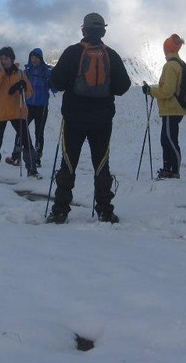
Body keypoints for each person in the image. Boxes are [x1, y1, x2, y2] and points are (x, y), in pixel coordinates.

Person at [46, 13, 131, 224]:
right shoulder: (110, 55)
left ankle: (60, 210)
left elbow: (56, 80)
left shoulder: (72, 53)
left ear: (83, 30)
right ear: (103, 31)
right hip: (102, 120)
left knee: (68, 162)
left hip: (73, 117)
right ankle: (104, 210)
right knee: (101, 163)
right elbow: (124, 86)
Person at [0, 46, 38, 181]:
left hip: (17, 111)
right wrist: (1, 73)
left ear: (12, 58)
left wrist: (23, 86)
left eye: (7, 58)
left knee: (27, 141)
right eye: (2, 59)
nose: (4, 61)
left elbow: (29, 93)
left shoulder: (20, 74)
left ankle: (32, 170)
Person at [142, 34, 186, 179]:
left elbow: (167, 91)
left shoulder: (170, 66)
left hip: (171, 108)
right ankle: (168, 168)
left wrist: (150, 91)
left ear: (166, 49)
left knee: (169, 139)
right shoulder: (179, 64)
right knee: (167, 139)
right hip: (175, 108)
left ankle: (173, 171)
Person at [9, 48, 53, 167]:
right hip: (27, 106)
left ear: (40, 59)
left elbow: (55, 87)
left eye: (36, 57)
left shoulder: (46, 72)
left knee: (39, 133)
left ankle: (36, 159)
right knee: (21, 130)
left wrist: (52, 82)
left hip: (42, 107)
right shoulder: (26, 72)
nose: (34, 60)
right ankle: (16, 156)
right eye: (32, 57)